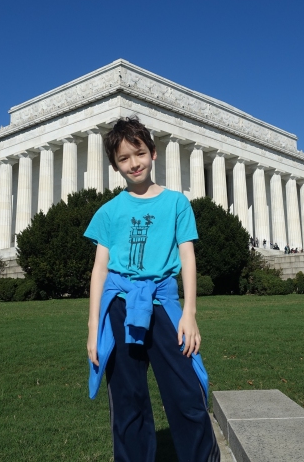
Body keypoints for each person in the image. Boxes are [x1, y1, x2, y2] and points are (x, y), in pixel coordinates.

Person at [85, 116, 220, 462]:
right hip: (119, 305)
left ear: (153, 152)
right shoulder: (108, 211)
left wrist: (189, 313)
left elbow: (187, 258)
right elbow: (100, 269)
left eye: (139, 153)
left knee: (186, 393)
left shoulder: (177, 203)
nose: (133, 163)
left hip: (162, 301)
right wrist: (92, 328)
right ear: (115, 165)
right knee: (128, 399)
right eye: (124, 159)